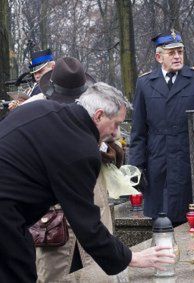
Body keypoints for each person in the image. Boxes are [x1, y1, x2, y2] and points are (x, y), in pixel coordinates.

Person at [0, 82, 175, 282]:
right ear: (99, 115)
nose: (117, 133)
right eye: (116, 124)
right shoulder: (81, 149)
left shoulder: (40, 109)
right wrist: (131, 258)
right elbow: (86, 225)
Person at [31, 56, 118, 282]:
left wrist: (100, 145)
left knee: (99, 274)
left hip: (94, 212)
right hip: (55, 222)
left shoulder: (95, 113)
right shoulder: (37, 115)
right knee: (54, 275)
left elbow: (116, 152)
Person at [129, 29, 194, 224]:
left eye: (180, 52)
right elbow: (138, 131)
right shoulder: (145, 83)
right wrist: (136, 168)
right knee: (160, 222)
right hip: (158, 161)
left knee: (190, 220)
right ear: (159, 57)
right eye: (171, 53)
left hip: (189, 161)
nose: (177, 57)